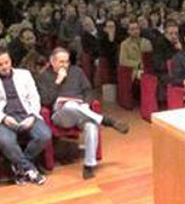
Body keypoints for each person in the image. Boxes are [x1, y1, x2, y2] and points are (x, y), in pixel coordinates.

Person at [36, 47, 129, 180]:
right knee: (69, 105)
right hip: (61, 114)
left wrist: (86, 103)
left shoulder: (77, 71)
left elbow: (88, 90)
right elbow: (45, 101)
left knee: (91, 126)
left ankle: (89, 166)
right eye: (61, 62)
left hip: (81, 110)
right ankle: (106, 120)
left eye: (66, 62)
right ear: (52, 61)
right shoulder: (43, 77)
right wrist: (57, 82)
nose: (65, 65)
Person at [0, 47, 50, 185]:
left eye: (7, 62)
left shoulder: (24, 74)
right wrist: (3, 118)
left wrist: (32, 115)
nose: (5, 66)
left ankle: (20, 166)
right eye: (0, 64)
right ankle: (30, 169)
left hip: (26, 114)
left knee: (44, 135)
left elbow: (34, 97)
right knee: (5, 141)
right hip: (4, 118)